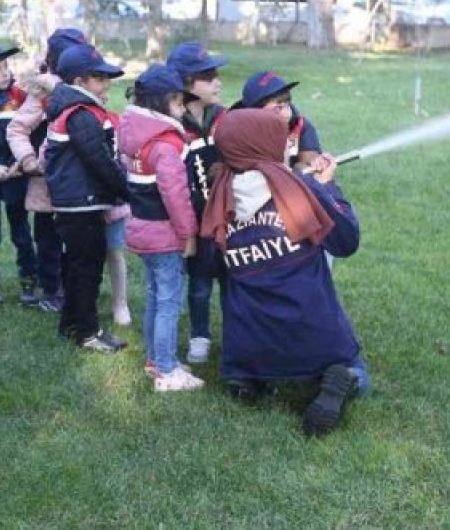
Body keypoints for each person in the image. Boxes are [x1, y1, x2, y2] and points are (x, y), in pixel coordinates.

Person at [200, 109, 366, 436]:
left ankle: (247, 381)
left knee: (249, 344)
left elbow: (208, 267)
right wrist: (327, 188)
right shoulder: (300, 191)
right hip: (313, 335)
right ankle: (336, 380)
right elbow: (346, 241)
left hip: (248, 346)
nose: (289, 146)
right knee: (358, 373)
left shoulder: (217, 198)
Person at [119, 65, 204, 391]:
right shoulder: (166, 145)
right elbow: (176, 195)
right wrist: (189, 234)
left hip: (140, 230)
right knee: (169, 301)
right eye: (180, 103)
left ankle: (156, 359)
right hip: (165, 236)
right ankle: (168, 372)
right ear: (164, 102)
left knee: (156, 296)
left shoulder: (138, 137)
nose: (184, 109)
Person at [44, 43, 130, 352]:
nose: (107, 84)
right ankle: (88, 332)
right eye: (99, 78)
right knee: (87, 270)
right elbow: (99, 159)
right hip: (81, 203)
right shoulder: (81, 114)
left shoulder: (77, 109)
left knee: (77, 266)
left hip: (79, 203)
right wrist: (127, 190)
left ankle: (69, 325)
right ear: (80, 82)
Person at [7, 27, 88, 313]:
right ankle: (51, 288)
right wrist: (29, 160)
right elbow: (17, 128)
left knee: (80, 237)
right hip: (49, 182)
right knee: (49, 238)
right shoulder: (43, 92)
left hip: (82, 182)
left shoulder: (89, 86)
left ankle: (76, 286)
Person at [166, 41, 229, 364]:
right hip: (194, 223)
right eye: (209, 76)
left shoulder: (223, 117)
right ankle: (199, 337)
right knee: (201, 283)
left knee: (233, 280)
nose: (218, 82)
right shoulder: (173, 126)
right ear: (186, 83)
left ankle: (236, 334)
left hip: (228, 219)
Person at [0, 40, 38, 307]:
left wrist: (17, 163)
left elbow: (28, 132)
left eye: (6, 68)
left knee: (22, 231)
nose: (5, 74)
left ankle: (30, 280)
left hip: (16, 175)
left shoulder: (18, 99)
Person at [234, 71, 326, 172]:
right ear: (254, 113)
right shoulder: (237, 134)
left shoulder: (299, 126)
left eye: (287, 104)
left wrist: (309, 166)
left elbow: (310, 162)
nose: (287, 114)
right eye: (277, 109)